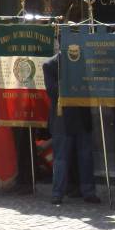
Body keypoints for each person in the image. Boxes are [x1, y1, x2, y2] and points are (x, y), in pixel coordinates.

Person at [43, 49, 100, 206]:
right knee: (60, 159)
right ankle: (57, 193)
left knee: (86, 157)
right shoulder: (50, 64)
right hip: (63, 119)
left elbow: (92, 86)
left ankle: (89, 192)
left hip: (82, 117)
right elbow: (53, 91)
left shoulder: (85, 62)